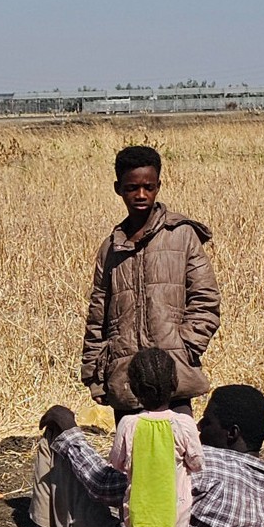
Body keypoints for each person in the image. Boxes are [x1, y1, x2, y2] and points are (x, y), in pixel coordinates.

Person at [17, 349, 203, 527]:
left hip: (141, 508)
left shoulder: (129, 424)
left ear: (133, 390)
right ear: (175, 385)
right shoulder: (185, 425)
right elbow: (196, 461)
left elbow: (114, 467)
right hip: (176, 507)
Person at [81, 145, 220, 420]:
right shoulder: (110, 248)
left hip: (173, 376)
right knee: (130, 458)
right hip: (125, 376)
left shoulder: (181, 236)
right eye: (132, 188)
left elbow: (206, 299)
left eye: (149, 186)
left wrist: (184, 346)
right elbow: (98, 315)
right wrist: (94, 373)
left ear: (159, 186)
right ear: (118, 188)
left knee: (178, 456)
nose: (141, 195)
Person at [186, 385, 264, 527]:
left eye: (207, 421)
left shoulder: (202, 464)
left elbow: (111, 485)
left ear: (232, 433)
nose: (199, 426)